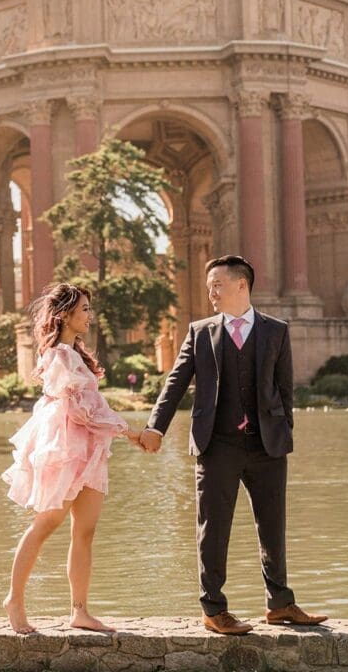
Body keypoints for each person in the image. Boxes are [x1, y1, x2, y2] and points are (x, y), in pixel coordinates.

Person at [136, 255, 327, 635]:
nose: (211, 292)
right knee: (213, 528)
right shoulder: (200, 332)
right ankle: (213, 608)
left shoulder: (276, 330)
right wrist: (155, 427)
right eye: (209, 286)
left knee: (273, 526)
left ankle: (280, 603)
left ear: (243, 285)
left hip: (267, 445)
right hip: (217, 445)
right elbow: (176, 382)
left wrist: (283, 428)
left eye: (217, 285)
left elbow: (284, 389)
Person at [2, 283, 143, 634]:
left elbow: (96, 405)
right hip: (66, 449)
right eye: (83, 309)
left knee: (85, 531)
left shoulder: (75, 354)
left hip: (91, 450)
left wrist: (124, 430)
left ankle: (80, 610)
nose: (89, 315)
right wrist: (131, 433)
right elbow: (82, 411)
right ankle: (14, 599)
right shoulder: (58, 356)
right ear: (64, 314)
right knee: (46, 524)